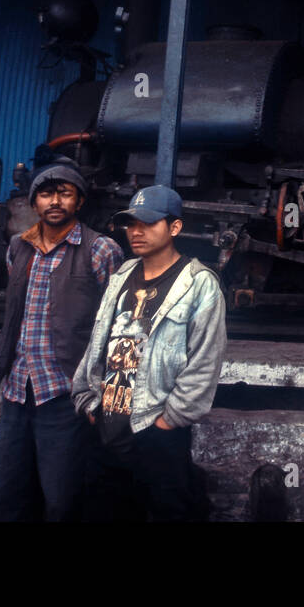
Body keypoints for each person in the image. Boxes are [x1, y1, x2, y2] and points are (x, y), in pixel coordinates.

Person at [72, 185, 227, 521]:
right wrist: (88, 401)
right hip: (106, 429)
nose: (136, 231)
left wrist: (167, 422)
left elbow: (205, 361)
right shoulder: (122, 275)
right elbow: (99, 340)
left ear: (175, 227)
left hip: (155, 433)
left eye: (148, 223)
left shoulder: (199, 283)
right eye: (131, 223)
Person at [0, 160, 123, 521]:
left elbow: (118, 325)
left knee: (62, 499)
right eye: (46, 194)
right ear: (34, 202)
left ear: (79, 202)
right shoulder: (17, 247)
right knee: (9, 496)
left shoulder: (101, 250)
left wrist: (105, 393)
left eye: (64, 194)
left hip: (65, 393)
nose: (54, 201)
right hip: (17, 390)